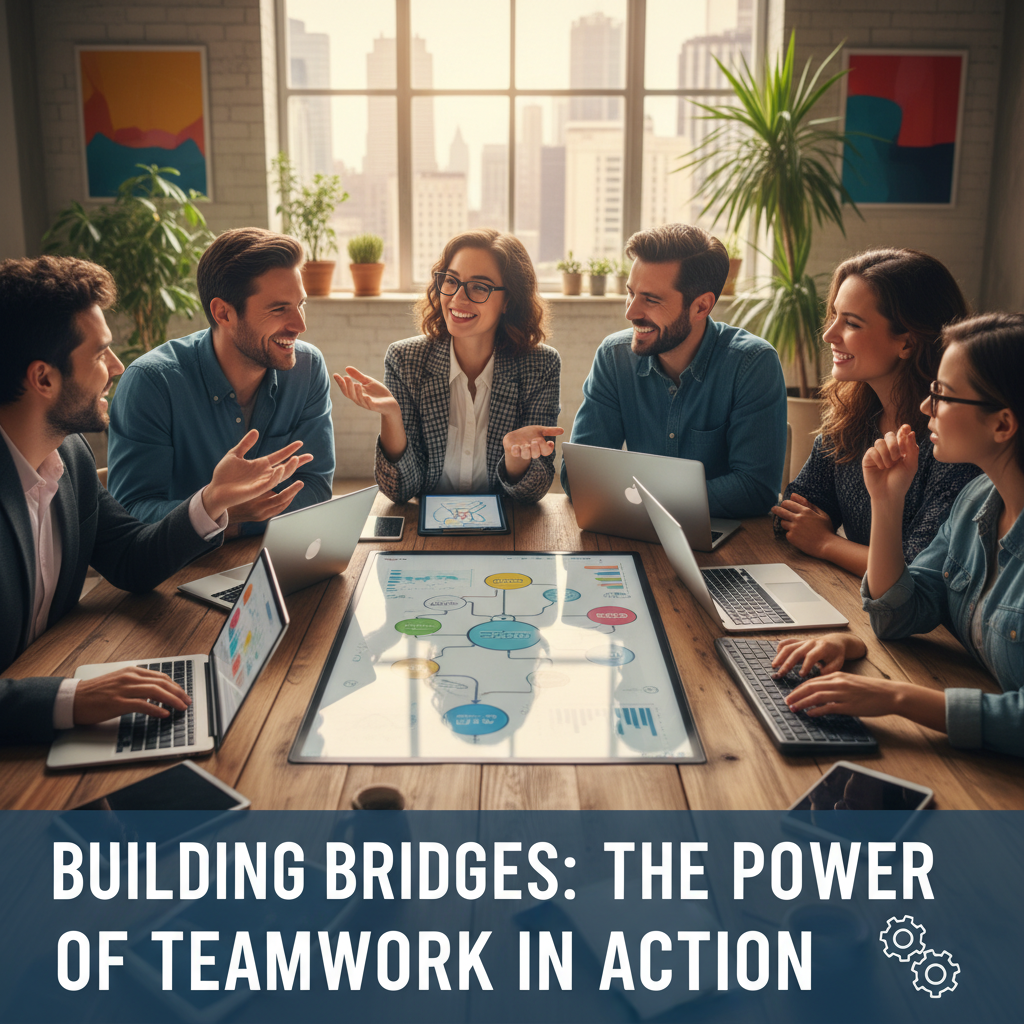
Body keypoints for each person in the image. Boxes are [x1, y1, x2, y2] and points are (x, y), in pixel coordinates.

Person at [0, 255, 312, 746]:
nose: (117, 367)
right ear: (44, 378)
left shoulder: (70, 458)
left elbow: (130, 561)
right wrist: (69, 700)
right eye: (101, 354)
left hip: (57, 685)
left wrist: (211, 502)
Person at [774, 313, 1024, 758]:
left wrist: (895, 698)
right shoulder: (976, 500)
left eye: (942, 396)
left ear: (1002, 425)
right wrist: (886, 503)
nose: (927, 408)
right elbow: (900, 612)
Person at [107, 228, 334, 537]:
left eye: (301, 304)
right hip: (179, 569)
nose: (300, 326)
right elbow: (133, 512)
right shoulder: (152, 383)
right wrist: (225, 512)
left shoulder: (307, 368)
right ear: (223, 313)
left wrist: (227, 520)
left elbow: (316, 487)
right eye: (279, 309)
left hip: (272, 557)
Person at [773, 248, 980, 575]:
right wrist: (814, 532)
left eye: (851, 323)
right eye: (834, 315)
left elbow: (919, 571)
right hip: (856, 596)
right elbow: (791, 514)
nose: (829, 334)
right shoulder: (852, 415)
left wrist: (826, 543)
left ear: (907, 344)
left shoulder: (952, 442)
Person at [560, 223, 787, 519]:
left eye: (651, 300)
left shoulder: (752, 364)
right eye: (631, 293)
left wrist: (641, 497)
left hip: (725, 540)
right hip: (635, 531)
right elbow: (578, 476)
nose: (630, 312)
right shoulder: (614, 357)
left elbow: (755, 490)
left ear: (701, 307)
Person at [335, 228, 561, 504]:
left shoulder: (541, 365)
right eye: (451, 281)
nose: (457, 298)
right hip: (424, 530)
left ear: (508, 301)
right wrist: (392, 417)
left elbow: (532, 493)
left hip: (506, 529)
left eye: (479, 286)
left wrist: (516, 459)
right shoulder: (405, 360)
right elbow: (399, 491)